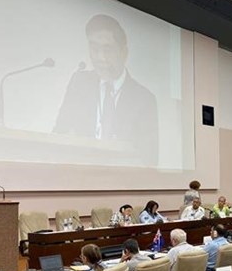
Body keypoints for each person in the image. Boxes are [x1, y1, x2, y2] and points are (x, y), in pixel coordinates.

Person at [53, 14, 158, 166]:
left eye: (107, 50)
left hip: (123, 181)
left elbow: (149, 158)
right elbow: (59, 132)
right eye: (94, 49)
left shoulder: (144, 99)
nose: (100, 57)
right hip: (79, 175)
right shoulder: (79, 83)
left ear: (123, 53)